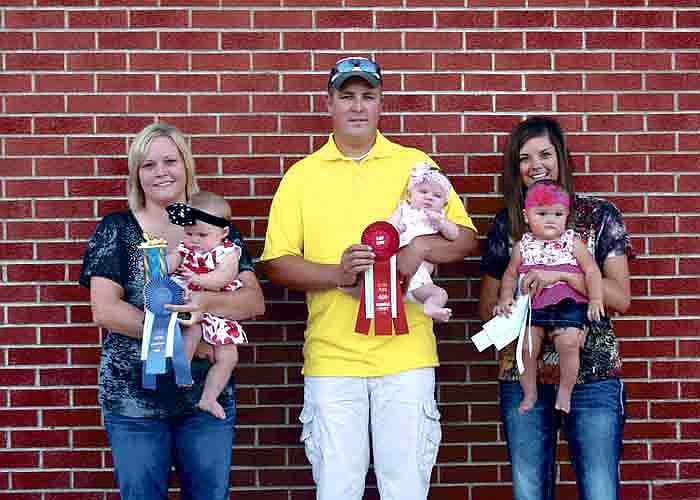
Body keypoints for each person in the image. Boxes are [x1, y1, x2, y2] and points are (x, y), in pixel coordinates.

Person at [260, 56, 478, 500]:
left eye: (368, 97)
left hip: (407, 356)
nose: (357, 107)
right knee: (338, 489)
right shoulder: (302, 176)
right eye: (347, 97)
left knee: (406, 489)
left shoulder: (415, 164)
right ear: (329, 104)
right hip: (332, 359)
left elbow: (465, 238)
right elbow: (277, 263)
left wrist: (416, 251)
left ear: (380, 104)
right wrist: (337, 273)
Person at [79, 122, 265, 500]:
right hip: (132, 399)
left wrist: (207, 303)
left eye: (169, 161)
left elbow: (252, 301)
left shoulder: (214, 228)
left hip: (204, 400)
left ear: (186, 166)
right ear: (136, 174)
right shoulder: (116, 229)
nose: (160, 171)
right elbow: (105, 309)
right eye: (147, 165)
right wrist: (183, 341)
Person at [479, 116, 632, 500]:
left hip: (593, 376)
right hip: (523, 376)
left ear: (561, 158)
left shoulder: (598, 217)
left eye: (545, 154)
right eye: (525, 158)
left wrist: (560, 278)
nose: (537, 165)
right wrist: (520, 295)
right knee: (529, 491)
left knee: (599, 491)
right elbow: (488, 307)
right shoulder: (508, 224)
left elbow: (620, 298)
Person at [493, 180, 604, 415]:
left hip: (567, 304)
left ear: (566, 215)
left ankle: (565, 390)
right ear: (526, 216)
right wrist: (505, 298)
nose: (550, 219)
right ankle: (530, 392)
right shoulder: (522, 246)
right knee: (526, 349)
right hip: (533, 305)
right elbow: (511, 274)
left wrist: (595, 299)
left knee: (569, 343)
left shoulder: (572, 242)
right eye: (542, 213)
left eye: (558, 213)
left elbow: (592, 270)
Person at [166, 190, 248, 420]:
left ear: (223, 232)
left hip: (216, 310)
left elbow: (224, 277)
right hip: (190, 304)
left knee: (229, 357)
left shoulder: (229, 252)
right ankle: (182, 371)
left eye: (202, 234)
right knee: (191, 332)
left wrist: (199, 279)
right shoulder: (187, 247)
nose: (194, 240)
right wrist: (162, 264)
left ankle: (209, 398)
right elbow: (173, 260)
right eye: (190, 233)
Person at [387, 162, 459, 322]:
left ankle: (431, 307)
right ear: (410, 193)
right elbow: (388, 228)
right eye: (423, 191)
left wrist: (441, 223)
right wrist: (397, 227)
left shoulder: (438, 218)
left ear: (444, 203)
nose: (429, 197)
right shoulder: (403, 210)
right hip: (396, 269)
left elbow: (454, 234)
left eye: (437, 196)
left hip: (419, 280)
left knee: (440, 294)